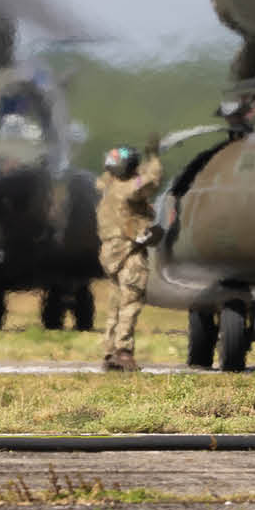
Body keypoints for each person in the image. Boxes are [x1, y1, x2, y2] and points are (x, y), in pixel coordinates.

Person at [95, 139, 163, 371]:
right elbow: (151, 181)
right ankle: (123, 351)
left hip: (110, 252)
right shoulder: (129, 190)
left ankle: (109, 350)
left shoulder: (108, 186)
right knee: (131, 300)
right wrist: (153, 157)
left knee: (115, 301)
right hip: (128, 250)